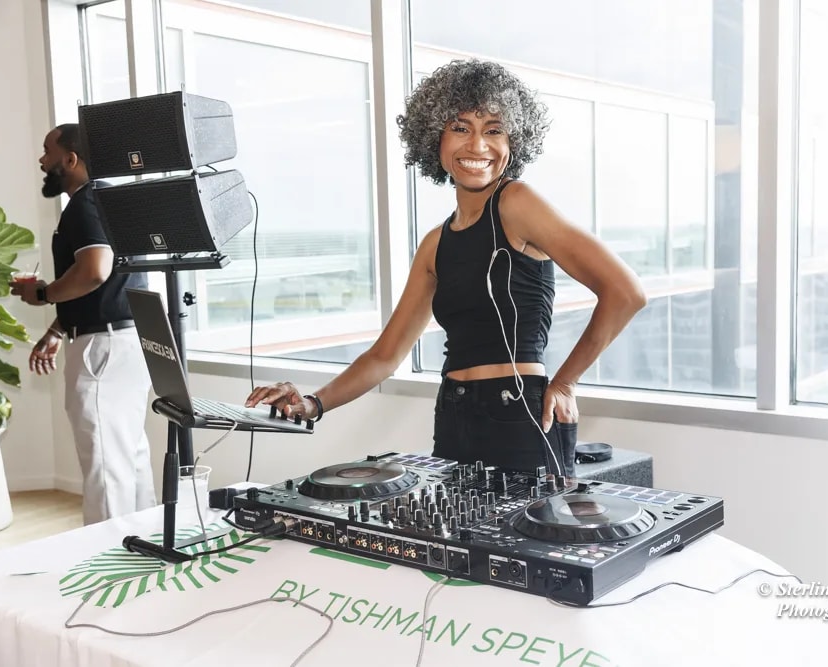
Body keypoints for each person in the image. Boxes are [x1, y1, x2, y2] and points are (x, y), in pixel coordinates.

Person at [246, 60, 646, 477]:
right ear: (433, 137)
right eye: (460, 128)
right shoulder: (435, 244)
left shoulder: (517, 203)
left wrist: (564, 382)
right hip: (454, 417)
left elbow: (625, 293)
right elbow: (385, 356)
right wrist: (313, 404)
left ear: (513, 141)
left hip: (519, 416)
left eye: (494, 130)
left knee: (521, 523)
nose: (478, 145)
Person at [9, 123, 156, 525]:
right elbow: (106, 286)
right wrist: (57, 329)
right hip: (127, 340)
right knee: (128, 455)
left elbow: (94, 271)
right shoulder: (111, 201)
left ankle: (107, 555)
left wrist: (43, 293)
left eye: (47, 151)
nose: (42, 160)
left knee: (106, 465)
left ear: (70, 159)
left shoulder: (85, 203)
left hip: (102, 351)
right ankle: (144, 545)